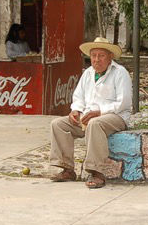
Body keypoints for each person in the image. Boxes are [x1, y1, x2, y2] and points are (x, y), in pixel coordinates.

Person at [49, 37, 132, 189]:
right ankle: (67, 168)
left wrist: (99, 112)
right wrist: (76, 110)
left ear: (110, 57)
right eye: (93, 56)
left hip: (115, 116)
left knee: (95, 123)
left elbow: (123, 103)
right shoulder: (88, 73)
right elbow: (78, 96)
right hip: (88, 116)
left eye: (101, 56)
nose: (96, 60)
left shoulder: (120, 73)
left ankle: (97, 172)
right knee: (58, 124)